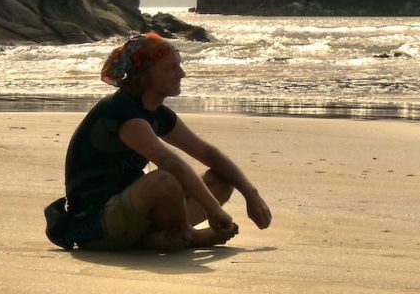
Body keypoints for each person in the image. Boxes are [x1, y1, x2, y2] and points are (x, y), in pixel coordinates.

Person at [45, 32, 272, 250]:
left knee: (222, 179)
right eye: (171, 67)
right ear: (145, 75)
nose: (181, 74)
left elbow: (207, 153)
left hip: (132, 213)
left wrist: (251, 195)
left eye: (180, 65)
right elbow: (169, 162)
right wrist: (214, 211)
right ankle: (186, 235)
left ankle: (157, 238)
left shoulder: (155, 112)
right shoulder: (120, 110)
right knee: (164, 179)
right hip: (96, 225)